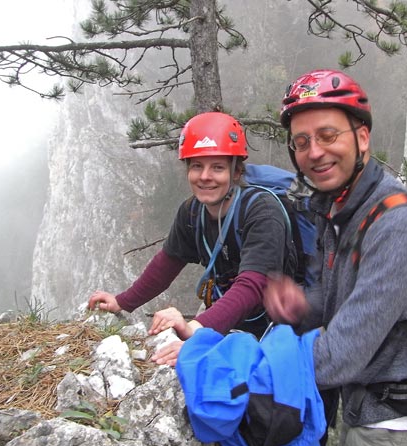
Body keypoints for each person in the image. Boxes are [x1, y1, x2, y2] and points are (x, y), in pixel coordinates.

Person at [263, 69, 407, 446]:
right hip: (366, 397)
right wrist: (303, 308)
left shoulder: (398, 226)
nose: (314, 152)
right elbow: (337, 305)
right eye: (302, 142)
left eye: (328, 135)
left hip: (391, 418)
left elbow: (337, 359)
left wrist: (240, 366)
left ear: (362, 137)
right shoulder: (339, 208)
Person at [88, 111, 298, 366]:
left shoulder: (262, 210)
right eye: (197, 165)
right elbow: (166, 264)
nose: (205, 176)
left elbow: (254, 285)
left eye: (217, 167)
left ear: (236, 172)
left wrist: (196, 328)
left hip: (280, 325)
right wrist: (122, 302)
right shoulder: (192, 212)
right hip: (231, 316)